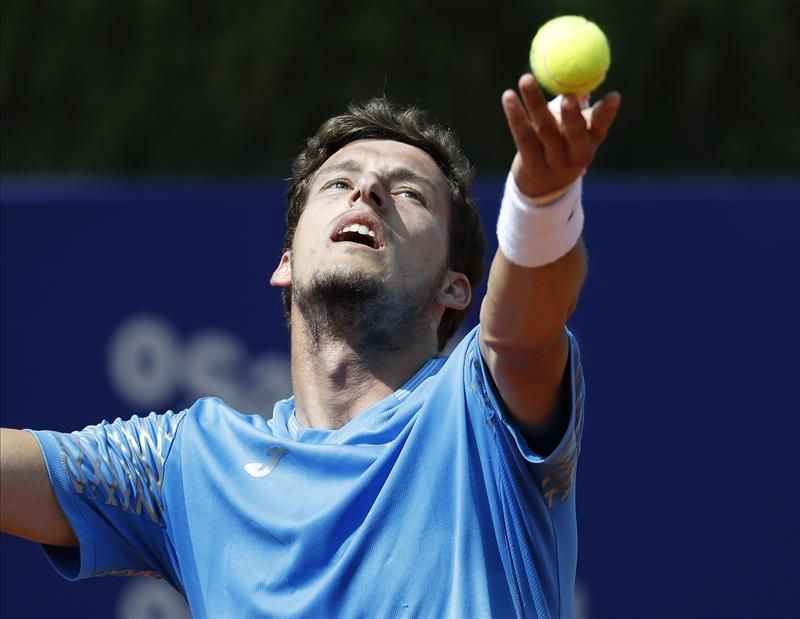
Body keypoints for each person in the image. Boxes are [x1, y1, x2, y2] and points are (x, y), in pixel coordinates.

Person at [0, 74, 620, 618]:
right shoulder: (187, 465)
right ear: (287, 262)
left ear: (455, 288)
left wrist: (543, 204)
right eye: (338, 183)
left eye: (409, 193)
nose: (368, 191)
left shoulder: (480, 410)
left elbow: (523, 331)